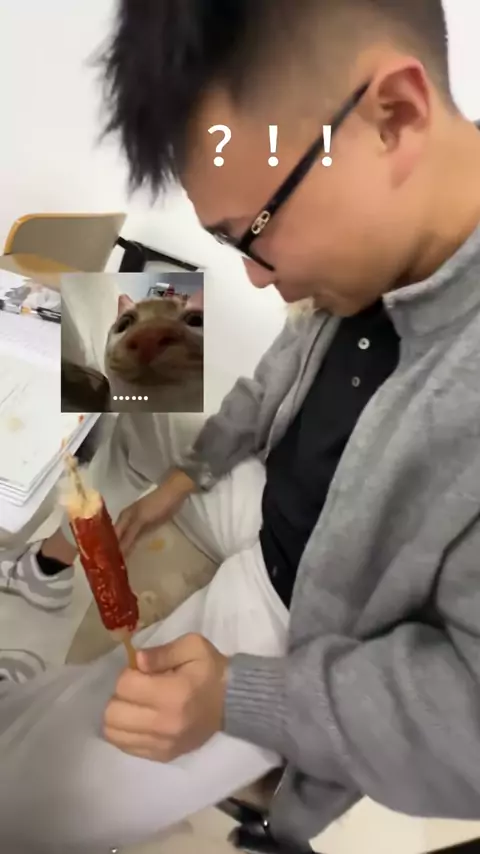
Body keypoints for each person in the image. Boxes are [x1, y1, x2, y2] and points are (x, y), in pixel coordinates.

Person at [1, 0, 480, 850]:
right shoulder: (390, 243)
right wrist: (184, 479)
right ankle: (47, 566)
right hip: (268, 500)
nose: (258, 280)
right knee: (140, 344)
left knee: (26, 799)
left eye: (251, 235)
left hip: (310, 617)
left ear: (393, 115)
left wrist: (240, 697)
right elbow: (277, 376)